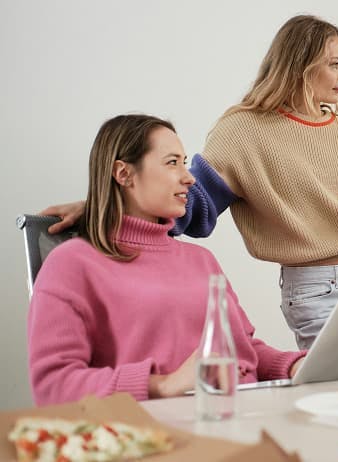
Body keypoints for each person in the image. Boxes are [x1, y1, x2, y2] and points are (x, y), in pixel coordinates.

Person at [42, 15, 338, 375]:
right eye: (334, 64)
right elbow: (191, 204)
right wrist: (105, 205)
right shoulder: (243, 132)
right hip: (317, 288)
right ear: (300, 66)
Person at [28, 115, 307, 405]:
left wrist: (293, 365)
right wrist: (163, 385)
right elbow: (53, 385)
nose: (189, 177)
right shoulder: (72, 264)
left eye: (185, 163)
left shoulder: (201, 260)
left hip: (241, 414)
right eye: (172, 163)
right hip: (157, 432)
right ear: (123, 174)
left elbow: (240, 350)